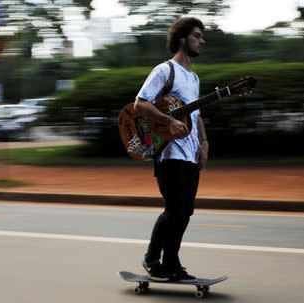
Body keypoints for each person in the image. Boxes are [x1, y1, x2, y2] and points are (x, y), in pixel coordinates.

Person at [133, 17, 208, 281]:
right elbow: (140, 104)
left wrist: (204, 142)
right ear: (182, 39)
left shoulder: (194, 77)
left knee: (185, 212)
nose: (202, 41)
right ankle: (155, 259)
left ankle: (168, 263)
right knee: (174, 210)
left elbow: (196, 114)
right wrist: (169, 120)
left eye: (202, 36)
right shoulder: (165, 71)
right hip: (169, 152)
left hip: (191, 153)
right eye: (197, 36)